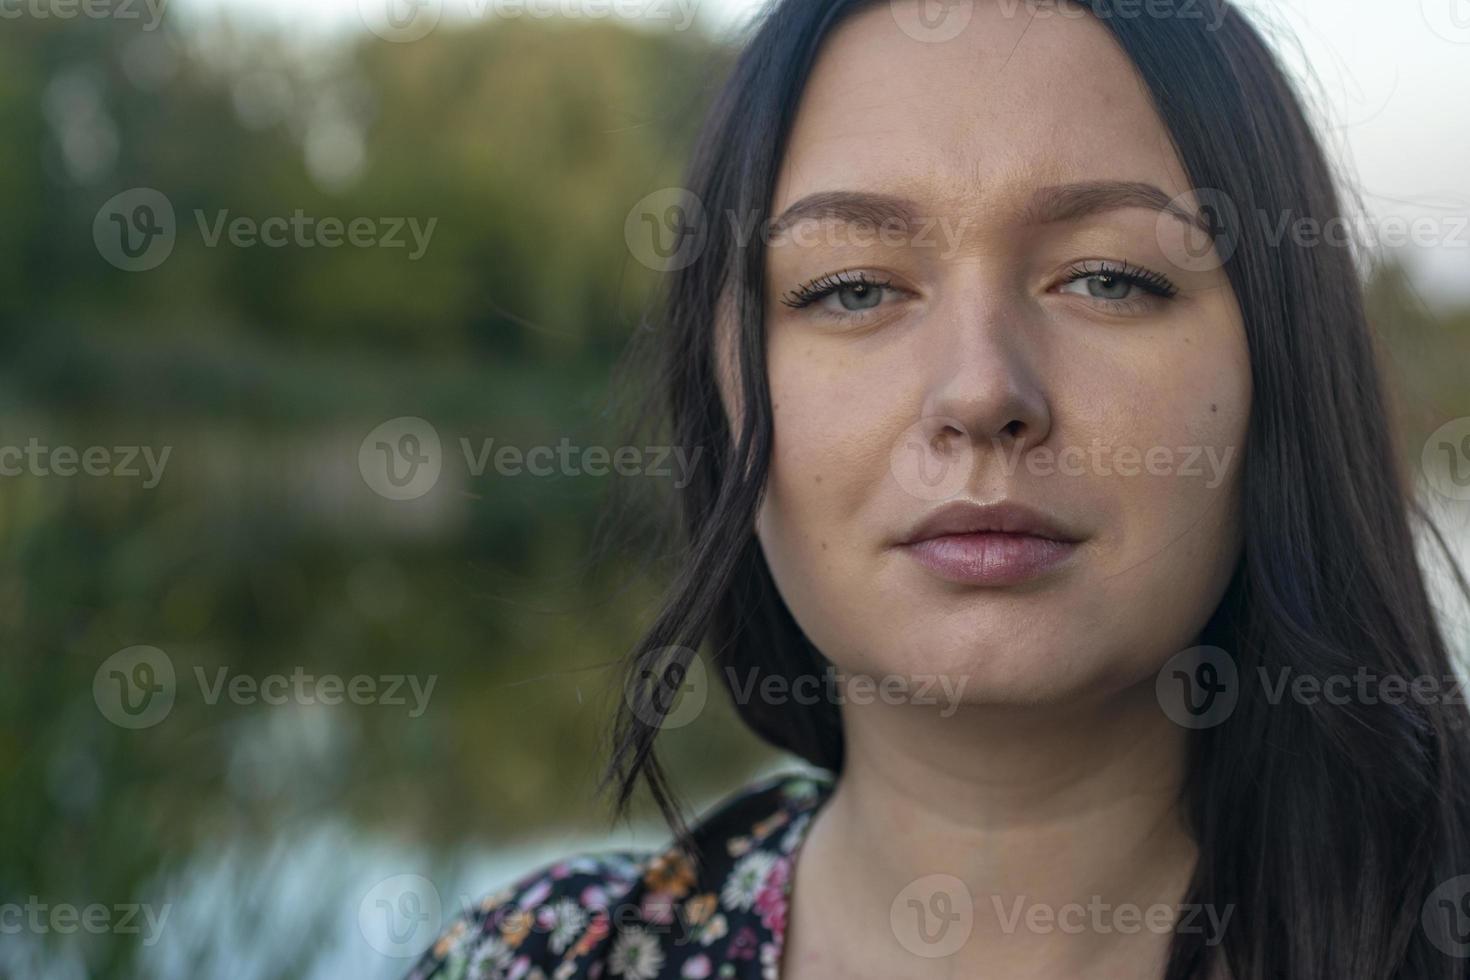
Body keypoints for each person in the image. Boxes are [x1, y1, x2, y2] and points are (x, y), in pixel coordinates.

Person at [406, 1, 1470, 977]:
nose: (981, 390)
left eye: (1107, 277)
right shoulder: (539, 960)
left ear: (1281, 368)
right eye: (853, 287)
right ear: (721, 388)